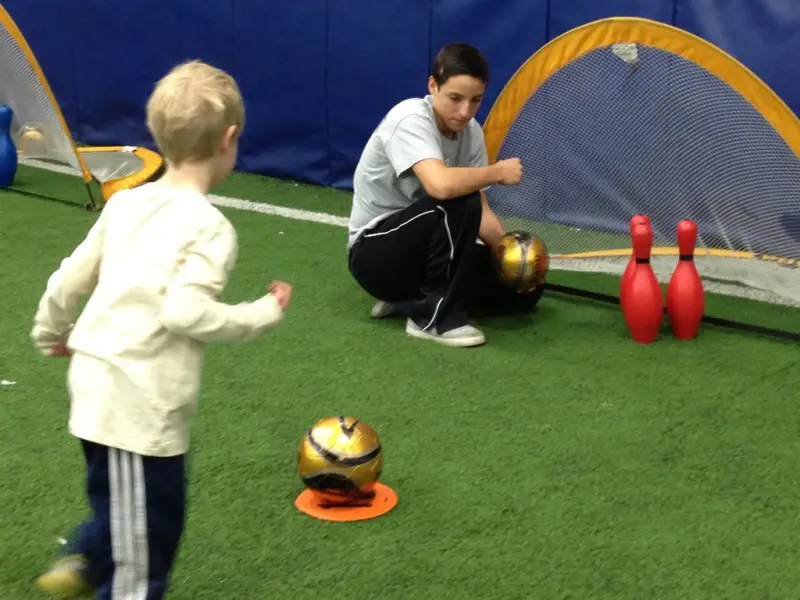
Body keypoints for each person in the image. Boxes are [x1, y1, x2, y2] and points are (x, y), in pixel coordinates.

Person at [30, 60, 292, 599]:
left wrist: (48, 331)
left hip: (102, 385)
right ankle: (111, 571)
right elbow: (184, 313)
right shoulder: (210, 227)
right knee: (145, 552)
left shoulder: (125, 202)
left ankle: (88, 556)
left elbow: (70, 276)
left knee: (143, 507)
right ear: (229, 138)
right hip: (135, 400)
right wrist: (262, 312)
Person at [347, 42, 541, 348]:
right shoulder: (409, 118)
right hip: (374, 255)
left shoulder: (472, 133)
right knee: (457, 199)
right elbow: (441, 186)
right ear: (432, 86)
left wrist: (512, 257)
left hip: (423, 255)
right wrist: (497, 172)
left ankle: (410, 299)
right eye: (455, 98)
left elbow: (482, 211)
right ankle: (432, 319)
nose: (465, 112)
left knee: (518, 290)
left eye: (475, 101)